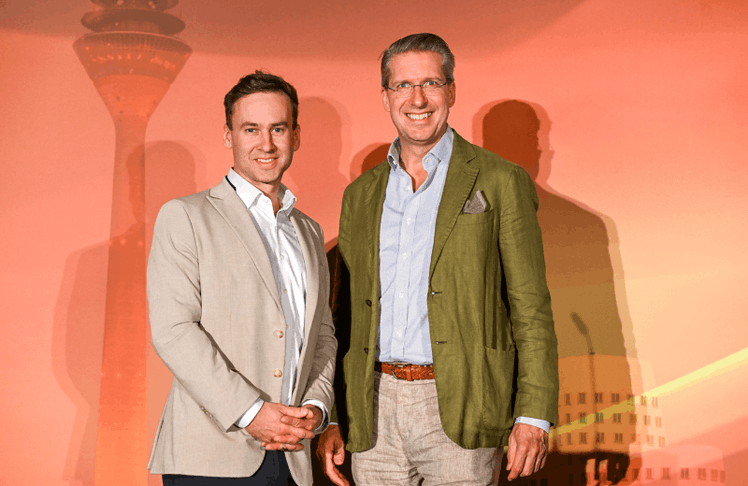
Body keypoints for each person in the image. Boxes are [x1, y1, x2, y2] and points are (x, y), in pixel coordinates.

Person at [317, 33, 559, 485]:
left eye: (430, 83)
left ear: (451, 91)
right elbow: (343, 317)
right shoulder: (360, 195)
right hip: (372, 410)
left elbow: (530, 309)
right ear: (386, 97)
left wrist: (534, 413)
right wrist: (333, 414)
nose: (418, 99)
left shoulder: (500, 180)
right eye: (403, 85)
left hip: (464, 403)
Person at [147, 71, 337, 486]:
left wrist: (317, 407)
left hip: (293, 457)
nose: (266, 144)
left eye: (278, 129)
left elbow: (322, 334)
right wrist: (251, 413)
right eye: (251, 129)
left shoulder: (309, 231)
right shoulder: (185, 216)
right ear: (228, 136)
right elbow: (173, 330)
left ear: (295, 136)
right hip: (211, 457)